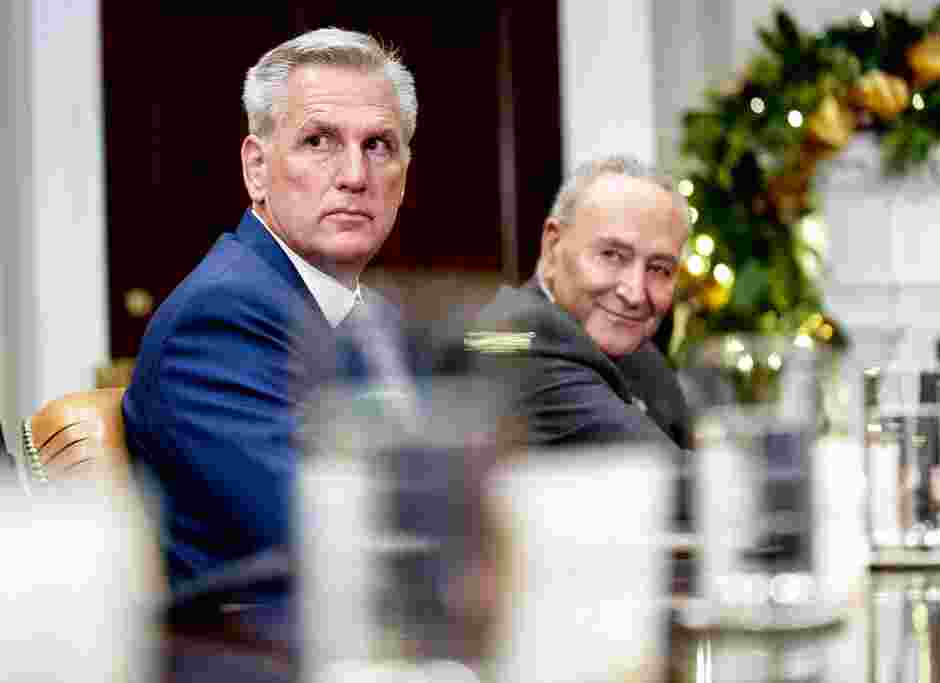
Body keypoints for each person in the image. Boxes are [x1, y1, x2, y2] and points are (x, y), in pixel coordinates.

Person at [122, 27, 417, 590]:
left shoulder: (377, 318)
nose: (355, 176)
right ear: (256, 168)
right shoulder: (216, 321)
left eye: (378, 145)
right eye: (318, 142)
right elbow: (337, 545)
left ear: (404, 178)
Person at [467, 155, 692, 451]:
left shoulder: (641, 353)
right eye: (612, 255)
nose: (635, 294)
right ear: (552, 249)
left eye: (659, 268)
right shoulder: (511, 336)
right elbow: (673, 478)